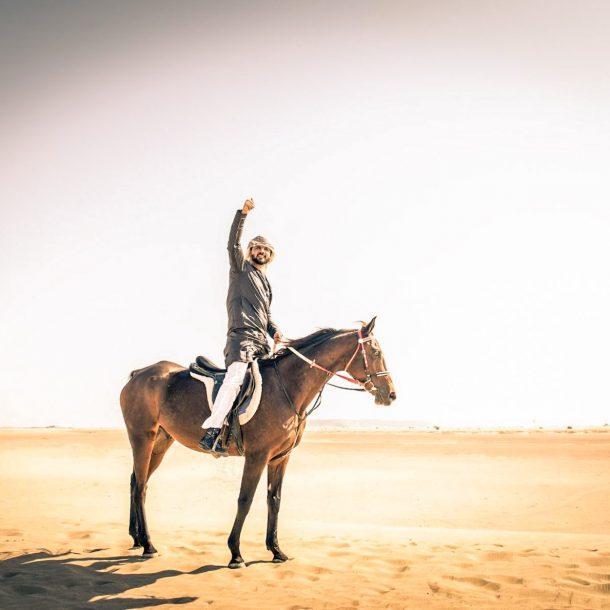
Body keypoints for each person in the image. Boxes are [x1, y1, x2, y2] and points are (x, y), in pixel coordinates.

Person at [199, 198, 284, 453]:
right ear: (250, 251)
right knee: (236, 378)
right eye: (258, 248)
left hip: (262, 343)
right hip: (241, 338)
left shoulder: (266, 284)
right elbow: (232, 243)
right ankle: (214, 430)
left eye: (266, 251)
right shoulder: (240, 269)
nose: (262, 252)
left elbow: (265, 316)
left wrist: (275, 331)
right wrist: (243, 214)